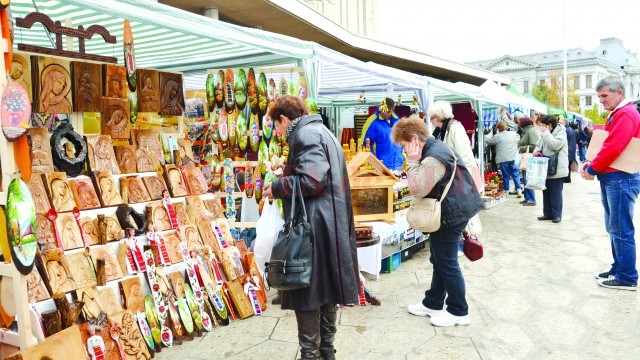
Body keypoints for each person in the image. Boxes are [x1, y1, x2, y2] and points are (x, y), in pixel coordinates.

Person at [262, 95, 359, 360]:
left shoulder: (304, 135)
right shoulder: (322, 131)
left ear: (284, 119)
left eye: (278, 127)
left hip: (313, 230)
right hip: (328, 225)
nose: (279, 133)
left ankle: (311, 355)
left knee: (308, 293)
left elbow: (313, 181)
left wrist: (277, 186)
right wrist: (289, 172)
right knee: (325, 291)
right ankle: (326, 353)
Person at [393, 116, 483, 327]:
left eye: (404, 146)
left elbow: (418, 188)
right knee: (439, 258)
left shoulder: (434, 156)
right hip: (451, 209)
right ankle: (433, 302)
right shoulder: (435, 148)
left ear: (415, 139)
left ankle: (458, 311)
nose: (404, 151)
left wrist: (413, 161)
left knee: (447, 262)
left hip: (452, 213)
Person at [581, 75, 640, 291]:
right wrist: (591, 163)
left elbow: (614, 147)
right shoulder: (619, 113)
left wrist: (593, 168)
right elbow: (607, 145)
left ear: (619, 93)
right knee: (615, 227)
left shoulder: (625, 113)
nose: (601, 101)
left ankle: (627, 276)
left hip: (621, 178)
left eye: (604, 96)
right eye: (599, 96)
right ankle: (619, 268)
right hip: (616, 177)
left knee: (621, 229)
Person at [533, 115, 568, 223]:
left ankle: (557, 215)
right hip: (545, 166)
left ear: (550, 125)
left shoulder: (561, 132)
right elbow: (539, 144)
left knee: (555, 193)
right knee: (546, 191)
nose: (541, 127)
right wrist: (536, 150)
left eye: (543, 125)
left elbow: (555, 145)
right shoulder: (545, 133)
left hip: (557, 168)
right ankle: (547, 213)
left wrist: (546, 133)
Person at [360, 97, 404, 170]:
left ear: (393, 109)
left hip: (399, 166)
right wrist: (376, 164)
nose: (385, 114)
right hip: (381, 167)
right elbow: (365, 146)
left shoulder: (398, 121)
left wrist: (402, 157)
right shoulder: (372, 122)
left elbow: (402, 141)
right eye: (383, 111)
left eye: (388, 111)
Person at [484, 120, 522, 197]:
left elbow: (490, 142)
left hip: (503, 158)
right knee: (515, 174)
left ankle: (507, 192)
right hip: (513, 157)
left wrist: (484, 136)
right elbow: (519, 138)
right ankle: (519, 190)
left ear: (498, 128)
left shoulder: (497, 136)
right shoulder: (513, 134)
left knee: (506, 175)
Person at [517, 117, 540, 206]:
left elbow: (534, 145)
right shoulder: (527, 132)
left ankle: (531, 199)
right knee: (525, 179)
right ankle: (527, 198)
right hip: (525, 158)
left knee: (528, 179)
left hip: (529, 158)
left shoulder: (530, 132)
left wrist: (521, 148)